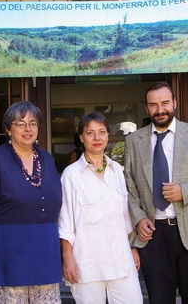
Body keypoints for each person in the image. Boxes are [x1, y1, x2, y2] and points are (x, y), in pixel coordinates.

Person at [124, 82, 188, 304]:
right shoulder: (133, 141)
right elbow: (129, 188)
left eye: (165, 103)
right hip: (153, 236)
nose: (160, 109)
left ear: (174, 103)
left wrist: (184, 191)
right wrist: (139, 219)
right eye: (153, 105)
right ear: (147, 108)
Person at [0, 101, 63, 304]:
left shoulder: (46, 158)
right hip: (8, 254)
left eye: (33, 123)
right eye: (20, 123)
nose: (28, 129)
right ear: (8, 130)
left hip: (45, 254)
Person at [58, 111, 143, 304]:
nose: (97, 138)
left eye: (102, 132)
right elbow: (65, 222)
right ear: (81, 137)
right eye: (90, 133)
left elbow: (125, 216)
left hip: (121, 260)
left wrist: (133, 248)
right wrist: (68, 258)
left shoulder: (117, 171)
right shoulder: (71, 175)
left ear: (107, 136)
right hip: (87, 263)